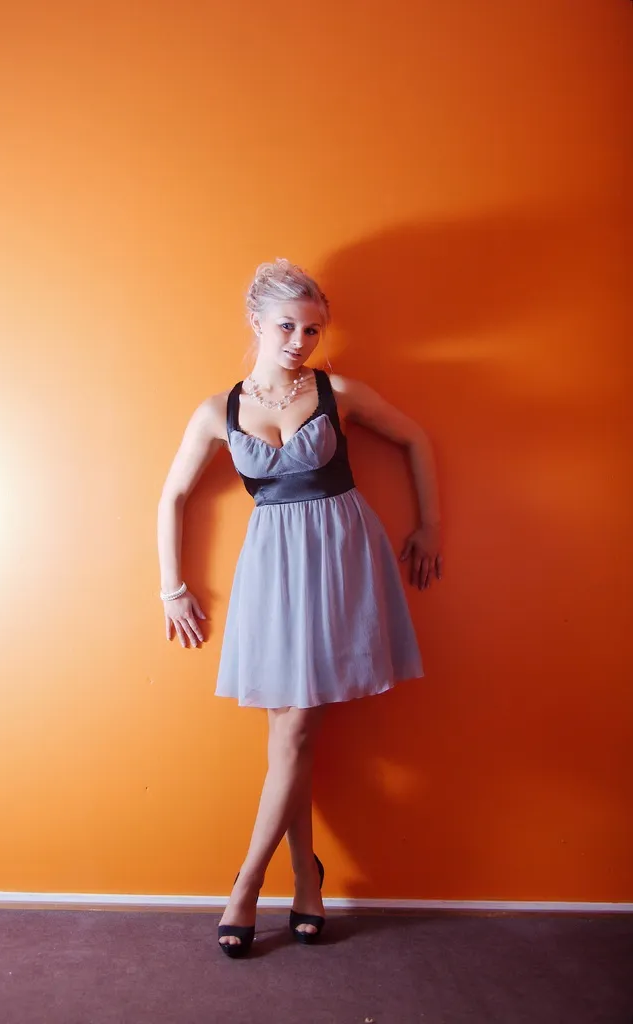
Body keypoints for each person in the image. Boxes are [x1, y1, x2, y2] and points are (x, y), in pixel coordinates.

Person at [157, 258, 443, 958]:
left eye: (312, 330)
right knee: (292, 735)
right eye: (287, 326)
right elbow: (173, 497)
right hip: (272, 571)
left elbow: (414, 438)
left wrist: (429, 526)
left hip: (343, 559)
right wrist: (173, 586)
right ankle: (305, 879)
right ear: (255, 321)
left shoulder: (338, 392)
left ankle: (246, 887)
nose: (299, 341)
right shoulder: (217, 411)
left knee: (295, 732)